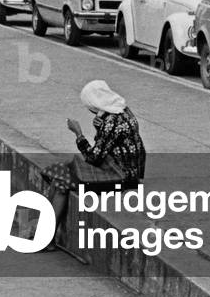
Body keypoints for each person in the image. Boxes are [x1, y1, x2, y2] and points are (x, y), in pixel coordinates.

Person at [38, 80, 146, 250]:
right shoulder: (123, 111)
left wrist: (78, 134)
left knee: (61, 181)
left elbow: (93, 157)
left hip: (120, 176)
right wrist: (99, 129)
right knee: (61, 173)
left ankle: (45, 236)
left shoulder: (111, 123)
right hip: (128, 170)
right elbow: (108, 145)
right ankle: (43, 233)